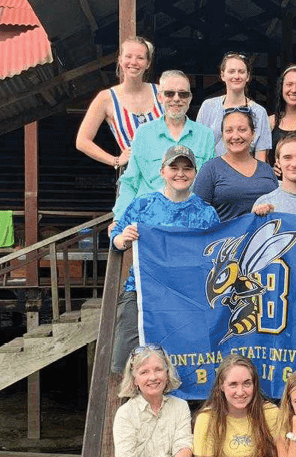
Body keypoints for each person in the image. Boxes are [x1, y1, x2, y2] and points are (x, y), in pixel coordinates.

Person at [109, 145, 220, 380]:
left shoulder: (206, 212)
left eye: (187, 168)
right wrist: (123, 238)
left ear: (195, 173)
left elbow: (216, 253)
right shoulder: (143, 204)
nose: (180, 173)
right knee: (126, 360)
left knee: (188, 360)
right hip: (142, 293)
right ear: (162, 171)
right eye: (174, 167)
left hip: (187, 297)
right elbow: (115, 238)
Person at [113, 70, 216, 221]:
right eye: (169, 93)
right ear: (159, 97)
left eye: (183, 94)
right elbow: (130, 182)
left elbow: (209, 184)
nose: (176, 99)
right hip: (147, 220)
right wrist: (119, 220)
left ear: (190, 98)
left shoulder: (205, 135)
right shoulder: (143, 133)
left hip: (189, 221)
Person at [75, 37, 161, 171]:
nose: (134, 62)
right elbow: (82, 141)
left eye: (140, 58)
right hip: (133, 177)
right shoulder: (106, 98)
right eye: (128, 56)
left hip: (166, 175)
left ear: (148, 63)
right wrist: (115, 160)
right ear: (120, 60)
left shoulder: (161, 92)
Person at [192, 108, 279, 221]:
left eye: (242, 130)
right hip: (227, 238)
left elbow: (281, 207)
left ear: (253, 134)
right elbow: (196, 215)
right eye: (229, 131)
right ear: (222, 136)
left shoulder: (267, 170)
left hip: (264, 237)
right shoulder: (210, 169)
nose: (236, 136)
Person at [197, 52, 272, 162]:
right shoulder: (208, 107)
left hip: (245, 175)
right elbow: (199, 149)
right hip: (212, 174)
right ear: (222, 75)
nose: (236, 76)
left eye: (241, 72)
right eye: (231, 71)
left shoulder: (260, 112)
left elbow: (260, 158)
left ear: (248, 76)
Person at [268, 65, 296, 172]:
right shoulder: (271, 122)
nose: (294, 90)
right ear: (282, 87)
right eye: (289, 84)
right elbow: (259, 158)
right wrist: (270, 171)